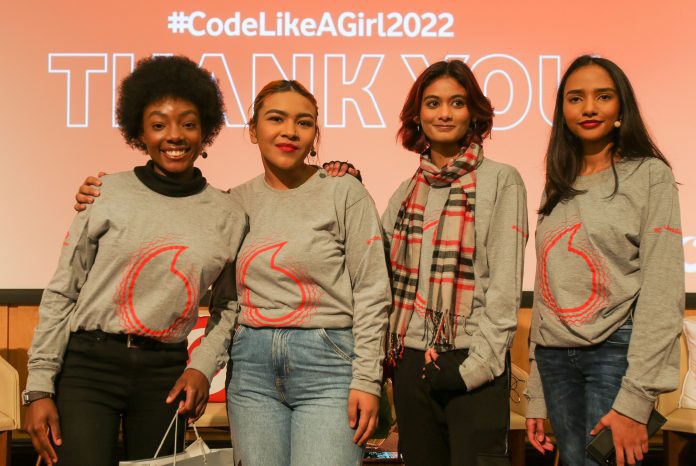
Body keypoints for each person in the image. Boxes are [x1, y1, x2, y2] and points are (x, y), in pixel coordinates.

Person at [74, 79, 390, 466]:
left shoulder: (344, 193)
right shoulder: (233, 203)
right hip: (252, 371)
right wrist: (203, 367)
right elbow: (227, 303)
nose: (290, 131)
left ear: (314, 136)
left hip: (328, 366)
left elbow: (373, 291)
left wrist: (367, 379)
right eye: (276, 119)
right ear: (253, 130)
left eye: (304, 122)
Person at [24, 55, 246, 466]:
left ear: (205, 131)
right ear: (139, 133)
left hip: (166, 374)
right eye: (159, 125)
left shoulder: (228, 214)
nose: (174, 136)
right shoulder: (105, 193)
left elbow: (230, 305)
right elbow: (63, 291)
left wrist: (202, 367)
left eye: (188, 124)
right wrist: (38, 388)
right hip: (88, 367)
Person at [525, 55, 685, 466]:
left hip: (615, 353)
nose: (589, 108)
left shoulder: (649, 175)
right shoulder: (558, 181)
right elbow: (547, 287)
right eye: (576, 98)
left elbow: (663, 289)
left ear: (621, 108)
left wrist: (637, 399)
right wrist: (536, 394)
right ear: (563, 111)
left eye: (603, 96)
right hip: (554, 358)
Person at [380, 59, 528, 465]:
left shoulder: (502, 180)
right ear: (417, 115)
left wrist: (472, 369)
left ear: (473, 113)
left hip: (470, 362)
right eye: (433, 103)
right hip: (411, 365)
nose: (444, 113)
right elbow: (376, 266)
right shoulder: (407, 191)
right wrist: (346, 185)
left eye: (456, 103)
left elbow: (504, 287)